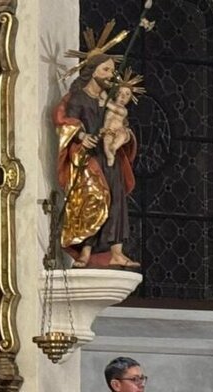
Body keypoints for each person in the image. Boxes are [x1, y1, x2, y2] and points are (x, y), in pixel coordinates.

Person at [54, 55, 140, 269]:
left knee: (117, 201)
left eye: (112, 71)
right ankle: (85, 252)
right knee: (93, 200)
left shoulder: (110, 99)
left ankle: (116, 252)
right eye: (106, 70)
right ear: (93, 71)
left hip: (110, 157)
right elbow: (67, 123)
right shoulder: (78, 98)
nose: (111, 76)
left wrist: (125, 135)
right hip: (90, 158)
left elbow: (122, 124)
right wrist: (83, 137)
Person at [101, 85, 135, 168]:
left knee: (122, 136)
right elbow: (103, 94)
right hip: (108, 130)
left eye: (127, 94)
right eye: (120, 92)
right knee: (106, 140)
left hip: (119, 130)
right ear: (115, 94)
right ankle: (110, 155)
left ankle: (114, 147)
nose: (123, 96)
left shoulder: (124, 110)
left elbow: (117, 110)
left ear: (130, 99)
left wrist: (106, 104)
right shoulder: (111, 102)